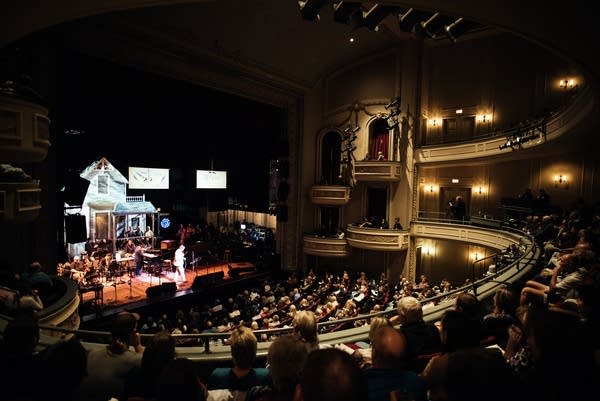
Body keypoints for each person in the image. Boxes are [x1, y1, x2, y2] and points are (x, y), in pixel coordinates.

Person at [73, 311, 144, 401]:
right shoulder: (134, 360)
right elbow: (147, 367)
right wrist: (137, 345)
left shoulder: (92, 353)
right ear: (133, 333)